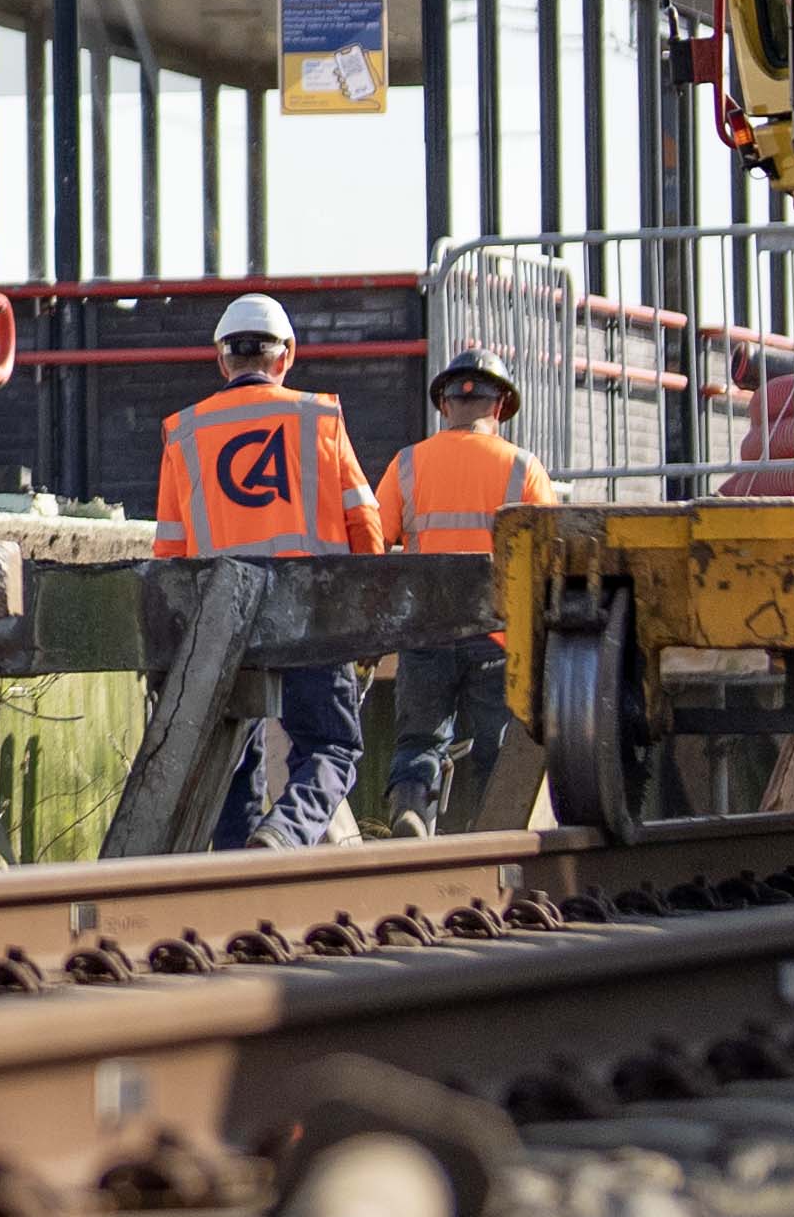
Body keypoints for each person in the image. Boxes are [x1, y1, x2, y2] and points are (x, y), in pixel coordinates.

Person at [147, 291, 391, 848]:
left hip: (221, 612)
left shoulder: (183, 432)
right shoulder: (320, 418)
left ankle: (239, 868)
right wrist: (371, 618)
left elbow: (169, 553)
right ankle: (285, 831)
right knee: (331, 746)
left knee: (233, 748)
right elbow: (365, 524)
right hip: (310, 608)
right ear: (287, 357)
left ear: (222, 359)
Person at [378, 344, 555, 821]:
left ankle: (411, 812)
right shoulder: (523, 468)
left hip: (426, 629)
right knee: (498, 748)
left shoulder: (407, 464)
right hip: (497, 633)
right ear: (499, 408)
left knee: (419, 740)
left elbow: (373, 543)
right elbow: (552, 555)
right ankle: (498, 834)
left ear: (444, 405)